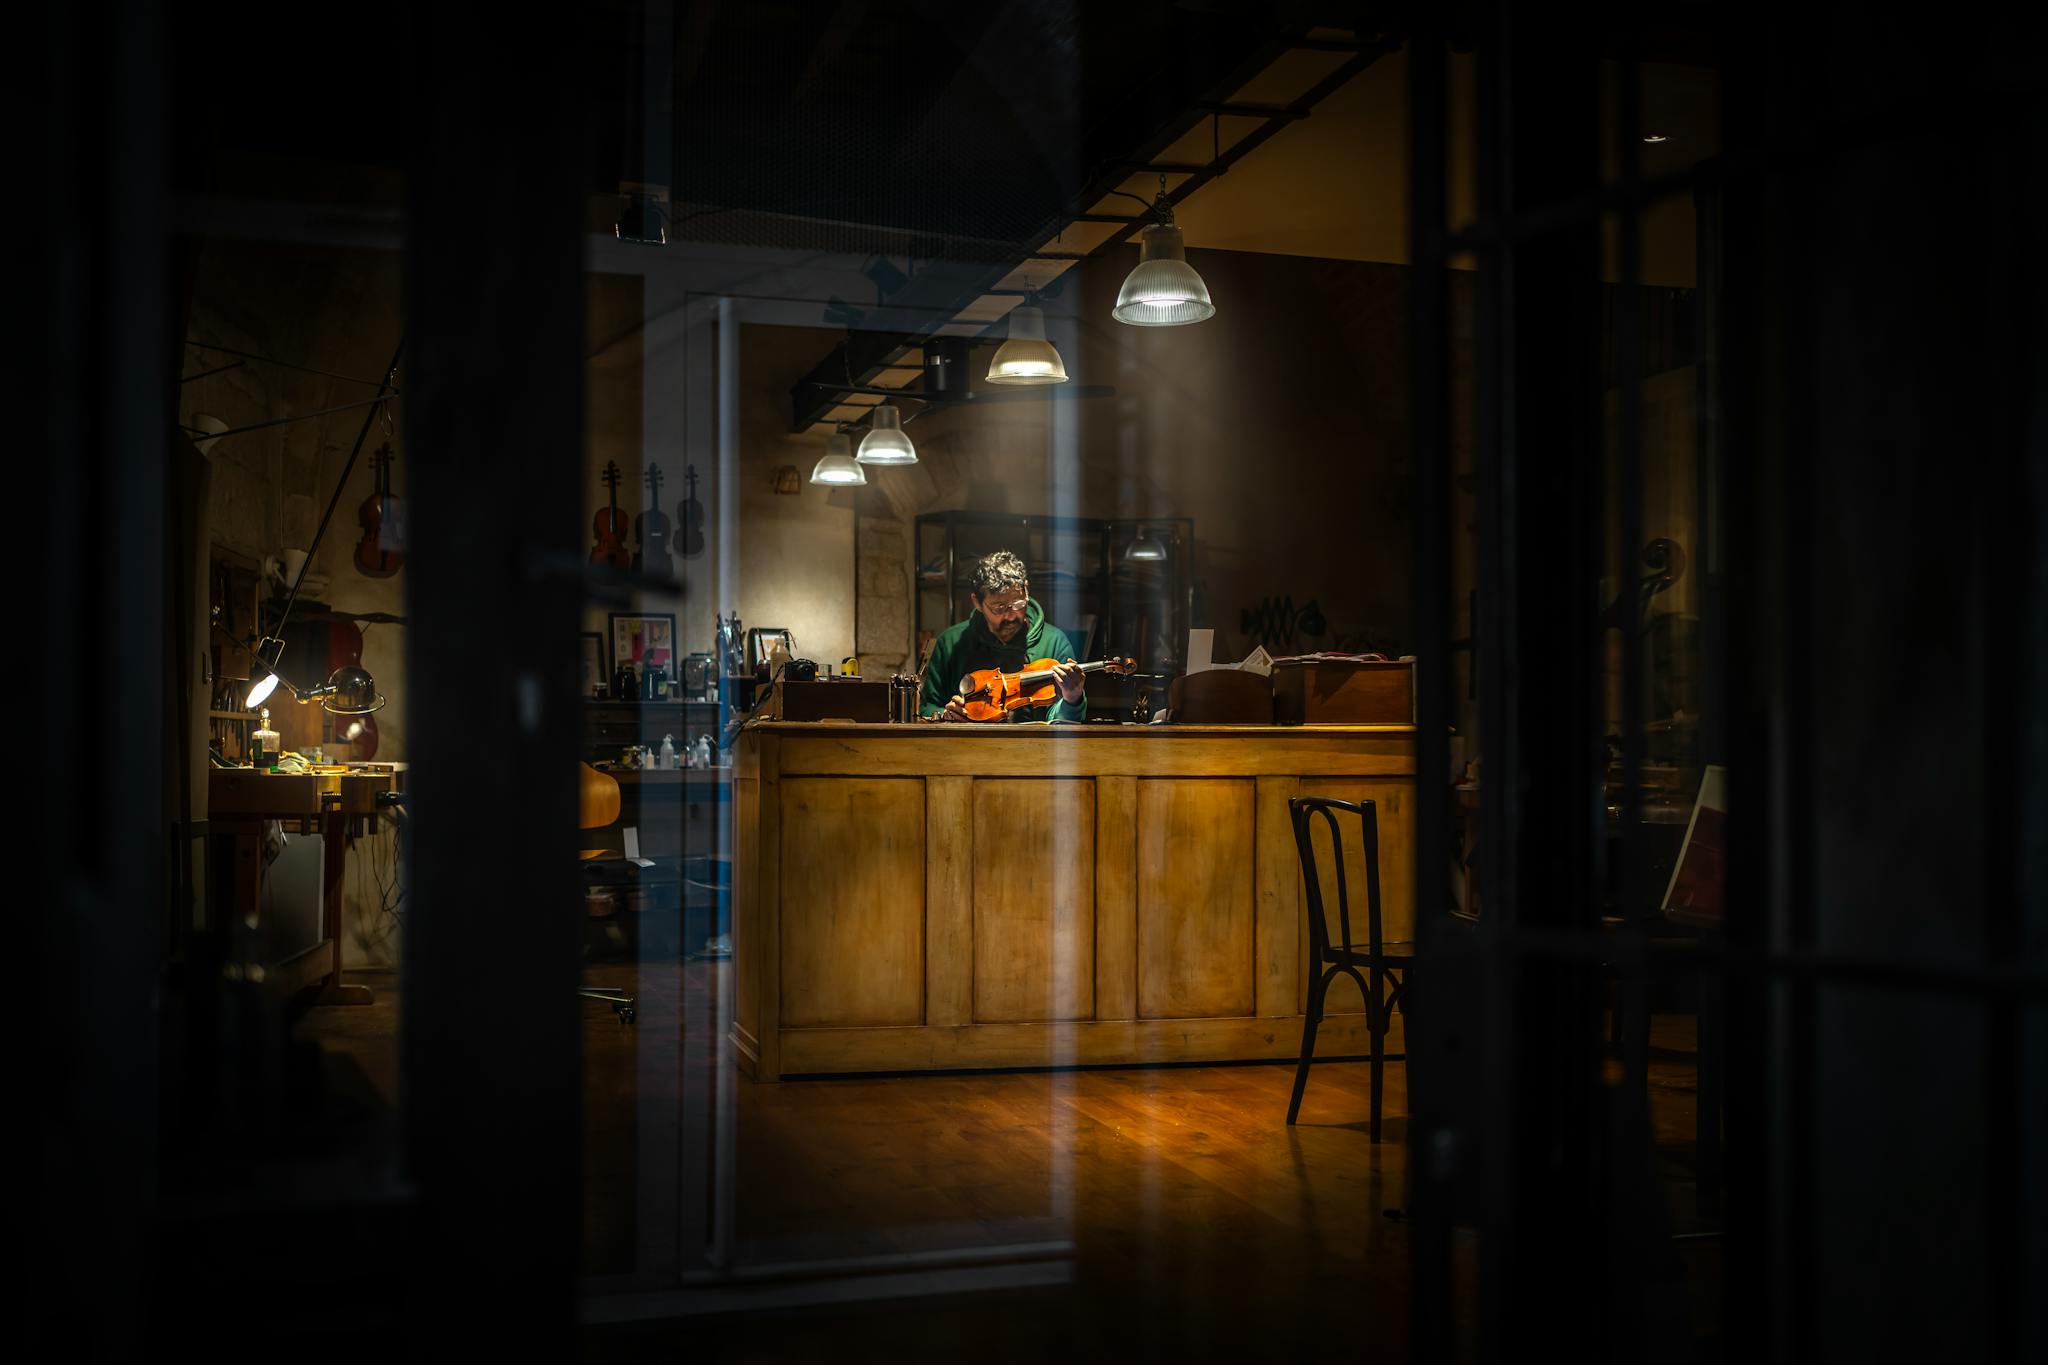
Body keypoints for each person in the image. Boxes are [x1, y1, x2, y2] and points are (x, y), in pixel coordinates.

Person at [920, 550, 1089, 722]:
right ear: (977, 602)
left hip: (1035, 747)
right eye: (999, 608)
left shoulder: (1055, 642)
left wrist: (1072, 699)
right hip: (967, 747)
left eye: (1018, 604)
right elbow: (927, 707)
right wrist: (946, 715)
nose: (1010, 616)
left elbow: (1061, 723)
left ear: (1027, 590)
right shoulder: (950, 642)